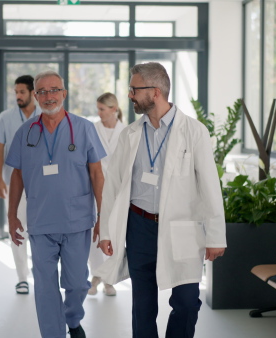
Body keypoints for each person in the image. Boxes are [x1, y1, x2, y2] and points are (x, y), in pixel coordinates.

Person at [96, 62, 227, 338]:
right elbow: (114, 186)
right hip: (139, 225)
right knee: (142, 306)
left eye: (134, 89)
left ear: (155, 91)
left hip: (181, 227)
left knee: (187, 302)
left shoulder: (193, 131)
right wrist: (107, 230)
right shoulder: (130, 133)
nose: (129, 95)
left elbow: (209, 186)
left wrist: (215, 236)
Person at [6, 70, 106, 338]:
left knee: (76, 284)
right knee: (45, 287)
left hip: (77, 220)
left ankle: (73, 318)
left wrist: (103, 216)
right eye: (43, 91)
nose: (49, 96)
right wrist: (12, 215)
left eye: (54, 90)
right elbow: (17, 174)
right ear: (35, 96)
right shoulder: (25, 132)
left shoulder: (84, 128)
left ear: (64, 93)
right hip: (40, 220)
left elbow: (97, 174)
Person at [0, 75, 42, 295]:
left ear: (33, 93)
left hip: (43, 185)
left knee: (41, 230)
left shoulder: (46, 115)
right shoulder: (6, 117)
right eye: (16, 92)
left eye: (22, 92)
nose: (18, 96)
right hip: (15, 183)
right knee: (18, 228)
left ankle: (40, 273)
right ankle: (22, 277)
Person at [87, 92, 125, 297]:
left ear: (113, 109)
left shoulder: (126, 131)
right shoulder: (93, 129)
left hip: (118, 188)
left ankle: (109, 279)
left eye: (102, 109)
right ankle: (95, 276)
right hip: (96, 186)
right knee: (97, 231)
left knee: (115, 234)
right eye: (98, 109)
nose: (99, 113)